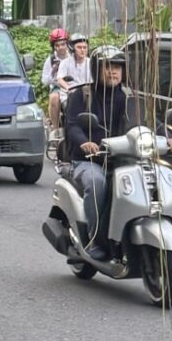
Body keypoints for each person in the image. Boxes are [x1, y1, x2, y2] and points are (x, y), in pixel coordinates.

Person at [62, 48, 133, 244]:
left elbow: (148, 121)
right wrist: (85, 142)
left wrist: (168, 137)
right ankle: (95, 239)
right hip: (88, 161)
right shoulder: (82, 94)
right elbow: (73, 125)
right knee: (97, 184)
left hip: (121, 160)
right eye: (108, 67)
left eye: (118, 67)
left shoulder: (128, 97)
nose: (113, 72)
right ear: (96, 69)